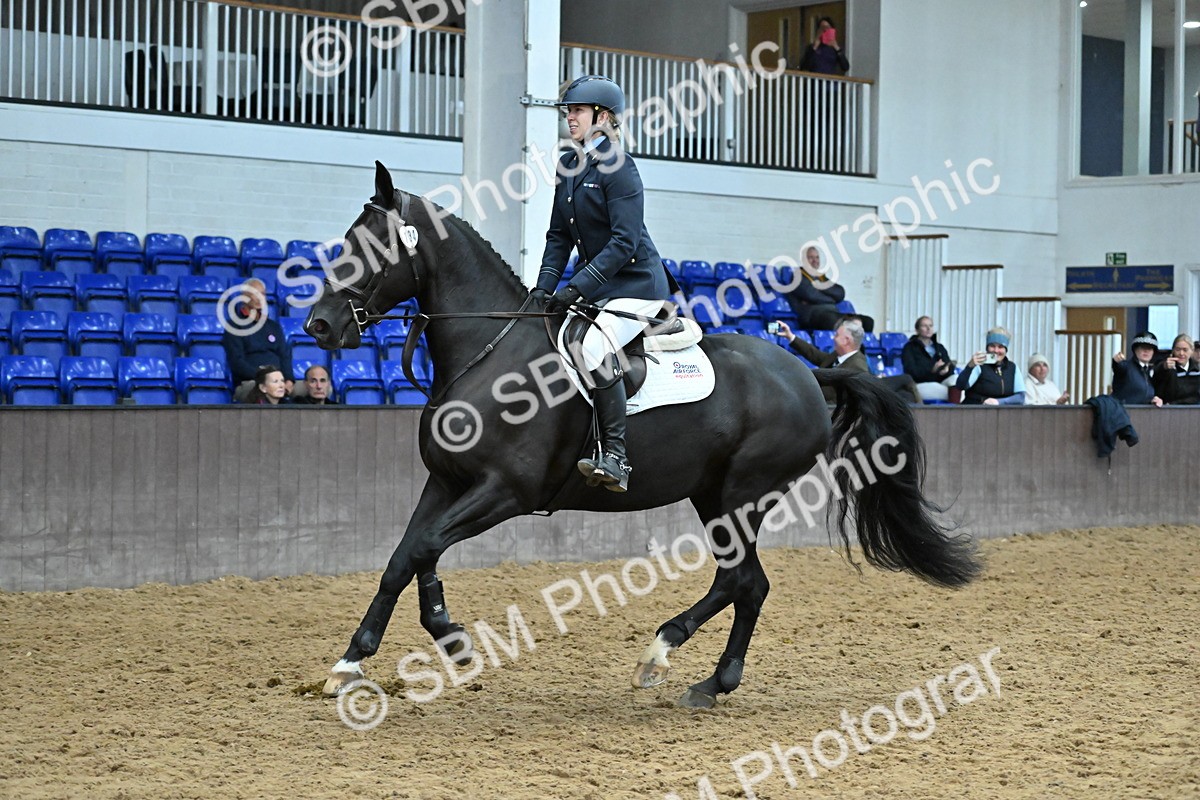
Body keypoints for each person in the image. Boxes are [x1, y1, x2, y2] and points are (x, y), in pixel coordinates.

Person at [532, 75, 676, 494]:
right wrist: (543, 289)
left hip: (638, 286)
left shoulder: (620, 167)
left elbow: (623, 242)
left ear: (603, 116)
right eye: (568, 112)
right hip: (600, 286)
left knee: (590, 347)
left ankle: (616, 455)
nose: (569, 118)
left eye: (576, 111)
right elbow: (558, 236)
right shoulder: (570, 166)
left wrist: (574, 289)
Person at [223, 278, 293, 403]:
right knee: (262, 390)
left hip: (277, 380)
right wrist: (264, 378)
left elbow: (284, 356)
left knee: (309, 388)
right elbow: (237, 362)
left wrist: (288, 380)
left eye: (263, 294)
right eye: (255, 294)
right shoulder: (234, 326)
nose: (260, 298)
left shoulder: (274, 326)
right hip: (251, 381)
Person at [782, 247, 874, 332]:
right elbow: (811, 295)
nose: (815, 261)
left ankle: (858, 348)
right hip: (813, 316)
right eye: (811, 257)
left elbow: (840, 293)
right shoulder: (798, 277)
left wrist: (819, 287)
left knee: (867, 322)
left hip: (832, 313)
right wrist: (831, 299)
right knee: (833, 320)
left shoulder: (821, 278)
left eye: (817, 257)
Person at [955, 327, 1025, 405]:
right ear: (987, 348)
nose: (996, 350)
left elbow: (1020, 397)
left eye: (1000, 347)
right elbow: (960, 386)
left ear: (1006, 350)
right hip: (975, 411)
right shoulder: (979, 364)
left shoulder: (1013, 368)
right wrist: (970, 366)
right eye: (992, 346)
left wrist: (998, 402)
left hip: (1003, 413)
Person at [901, 316, 956, 402]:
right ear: (917, 330)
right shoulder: (909, 348)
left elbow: (949, 366)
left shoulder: (939, 347)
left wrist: (946, 371)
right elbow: (911, 372)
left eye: (931, 325)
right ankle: (955, 408)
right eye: (924, 326)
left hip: (940, 381)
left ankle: (956, 408)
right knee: (949, 391)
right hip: (920, 384)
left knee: (956, 379)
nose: (928, 328)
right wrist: (932, 370)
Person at [1111, 331, 1162, 406]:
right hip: (1122, 413)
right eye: (1142, 347)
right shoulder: (1126, 366)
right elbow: (1118, 368)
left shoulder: (1150, 371)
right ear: (1135, 349)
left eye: (1150, 348)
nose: (1146, 351)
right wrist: (1116, 362)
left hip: (1142, 414)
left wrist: (1153, 400)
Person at [1151, 334, 1200, 405]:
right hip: (1168, 410)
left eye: (1185, 350)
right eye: (1178, 349)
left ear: (1192, 351)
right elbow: (1155, 382)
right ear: (1173, 350)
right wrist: (1164, 368)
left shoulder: (1197, 370)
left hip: (1191, 411)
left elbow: (1196, 396)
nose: (1181, 353)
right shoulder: (1166, 366)